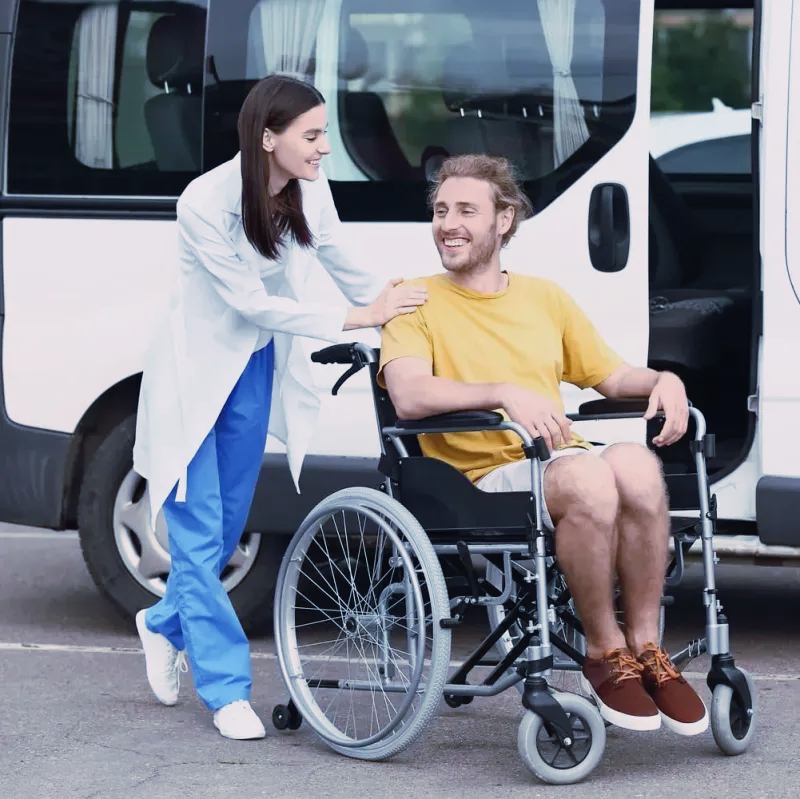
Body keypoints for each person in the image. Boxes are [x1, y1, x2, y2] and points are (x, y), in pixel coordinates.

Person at [132, 74, 427, 740]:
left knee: (228, 522)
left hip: (255, 365)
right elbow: (250, 302)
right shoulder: (204, 201)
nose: (326, 148)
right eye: (314, 135)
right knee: (201, 529)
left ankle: (160, 623)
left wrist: (404, 308)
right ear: (269, 137)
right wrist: (359, 316)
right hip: (195, 371)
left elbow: (343, 260)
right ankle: (227, 687)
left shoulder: (308, 192)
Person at [378, 154, 709, 737]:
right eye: (439, 211)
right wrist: (504, 392)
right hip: (475, 479)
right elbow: (407, 394)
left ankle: (647, 649)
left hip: (553, 458)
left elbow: (609, 376)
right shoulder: (414, 298)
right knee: (587, 477)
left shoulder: (544, 298)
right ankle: (604, 652)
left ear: (504, 220)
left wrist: (664, 380)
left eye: (465, 211)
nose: (447, 223)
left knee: (634, 463)